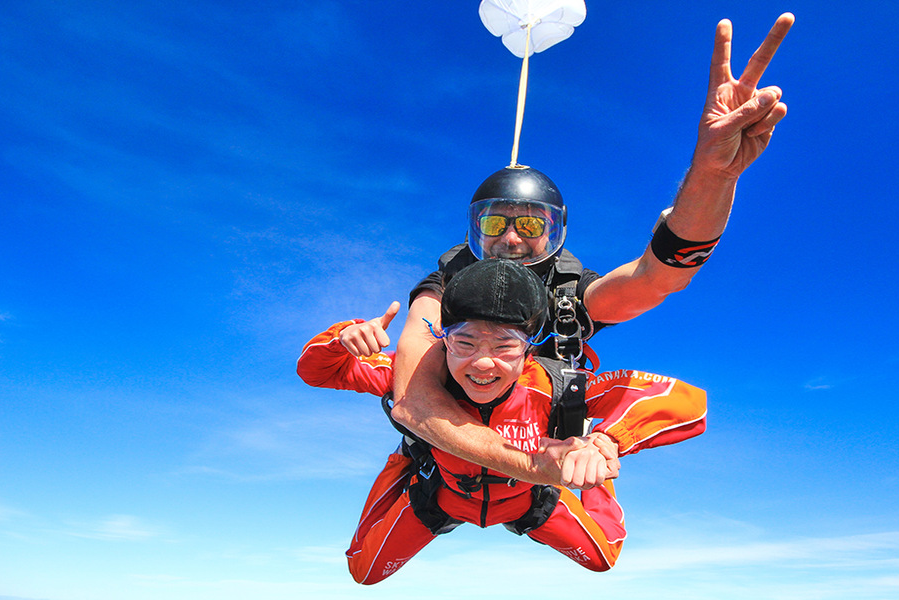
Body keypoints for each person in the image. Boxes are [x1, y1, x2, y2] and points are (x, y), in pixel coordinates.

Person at [385, 14, 795, 487]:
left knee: (602, 557)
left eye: (531, 223)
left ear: (555, 231)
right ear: (476, 228)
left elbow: (657, 277)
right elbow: (412, 401)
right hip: (458, 467)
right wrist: (538, 467)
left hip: (545, 461)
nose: (511, 237)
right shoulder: (444, 286)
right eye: (496, 222)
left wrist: (713, 176)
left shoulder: (568, 296)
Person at [297, 259, 707, 584]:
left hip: (531, 502)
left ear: (529, 351)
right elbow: (317, 370)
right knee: (363, 573)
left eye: (505, 345)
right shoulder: (415, 377)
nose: (483, 362)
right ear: (442, 339)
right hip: (440, 496)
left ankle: (595, 475)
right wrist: (345, 337)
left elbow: (687, 401)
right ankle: (402, 467)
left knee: (603, 559)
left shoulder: (554, 387)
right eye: (465, 342)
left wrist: (606, 442)